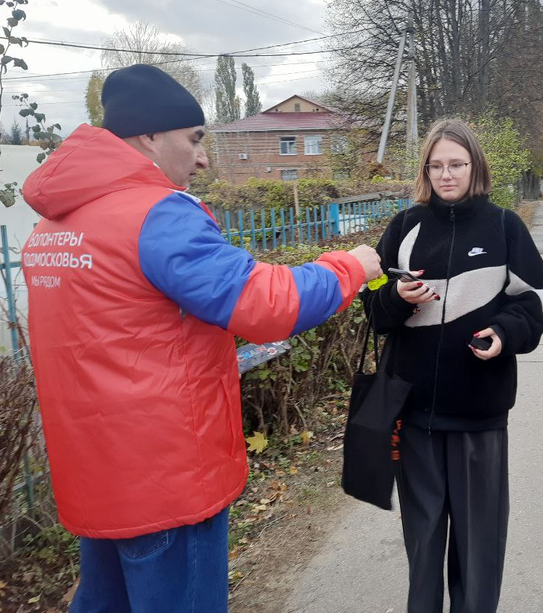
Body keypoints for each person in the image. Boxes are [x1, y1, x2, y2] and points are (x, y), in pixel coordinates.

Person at [20, 64, 382, 613]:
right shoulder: (156, 214)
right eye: (194, 139)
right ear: (149, 136)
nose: (204, 157)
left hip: (96, 480)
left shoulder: (53, 228)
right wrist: (348, 266)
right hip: (168, 482)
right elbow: (264, 303)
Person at [361, 118, 543, 613]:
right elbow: (375, 312)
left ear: (475, 167)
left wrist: (505, 333)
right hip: (415, 412)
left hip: (479, 415)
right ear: (426, 169)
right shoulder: (404, 227)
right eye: (437, 165)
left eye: (457, 164)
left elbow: (535, 302)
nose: (447, 175)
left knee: (478, 545)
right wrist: (399, 299)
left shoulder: (505, 226)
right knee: (423, 541)